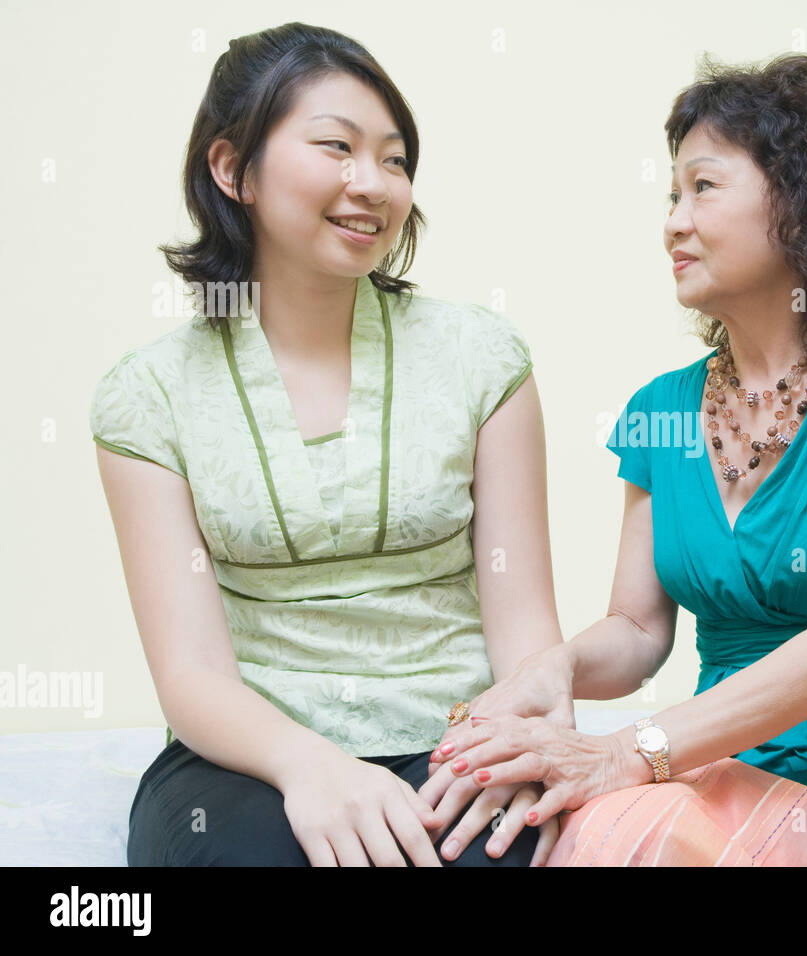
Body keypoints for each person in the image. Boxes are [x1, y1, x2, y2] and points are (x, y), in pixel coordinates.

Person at [424, 53, 807, 866]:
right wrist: (555, 668)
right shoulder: (658, 413)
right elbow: (638, 631)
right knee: (595, 840)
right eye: (671, 195)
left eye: (702, 188)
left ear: (803, 202)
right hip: (720, 761)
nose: (673, 221)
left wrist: (628, 752)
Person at [90, 22, 566, 866]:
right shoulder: (148, 396)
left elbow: (524, 627)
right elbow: (192, 674)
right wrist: (311, 767)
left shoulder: (482, 357)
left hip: (457, 743)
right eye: (336, 148)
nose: (373, 184)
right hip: (246, 758)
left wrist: (513, 747)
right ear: (232, 168)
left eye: (392, 157)